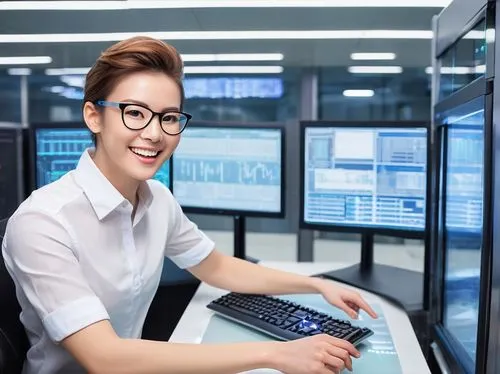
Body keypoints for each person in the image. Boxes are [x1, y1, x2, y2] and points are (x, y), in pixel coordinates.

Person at [2, 36, 377, 374]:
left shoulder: (156, 200)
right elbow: (105, 358)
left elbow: (217, 267)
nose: (153, 133)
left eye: (168, 117)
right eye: (134, 112)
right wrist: (275, 355)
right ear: (94, 116)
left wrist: (315, 285)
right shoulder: (43, 223)